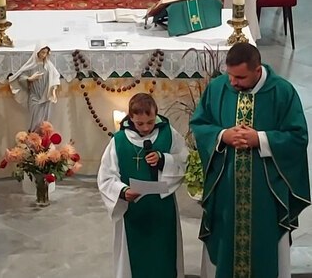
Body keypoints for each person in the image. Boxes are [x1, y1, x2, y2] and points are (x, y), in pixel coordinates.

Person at [190, 43, 310, 278]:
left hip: (267, 193)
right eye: (230, 75)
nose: (233, 82)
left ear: (257, 70)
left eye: (240, 77)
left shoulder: (282, 92)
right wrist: (223, 135)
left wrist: (261, 139)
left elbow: (298, 137)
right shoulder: (217, 88)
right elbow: (199, 125)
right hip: (226, 189)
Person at [97, 93, 188, 278]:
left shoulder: (169, 133)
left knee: (164, 253)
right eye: (140, 123)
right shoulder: (119, 141)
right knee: (134, 259)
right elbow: (106, 177)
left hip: (162, 210)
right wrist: (122, 191)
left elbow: (184, 160)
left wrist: (164, 160)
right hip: (134, 211)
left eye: (151, 122)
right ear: (131, 118)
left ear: (156, 115)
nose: (146, 128)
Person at [9, 41, 60, 131]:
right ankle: (33, 140)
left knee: (45, 122)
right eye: (42, 52)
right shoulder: (31, 66)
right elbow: (21, 78)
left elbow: (56, 77)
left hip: (46, 98)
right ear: (37, 52)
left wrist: (53, 89)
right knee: (35, 122)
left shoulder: (48, 66)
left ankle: (44, 142)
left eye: (46, 53)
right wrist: (30, 78)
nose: (44, 55)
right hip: (35, 98)